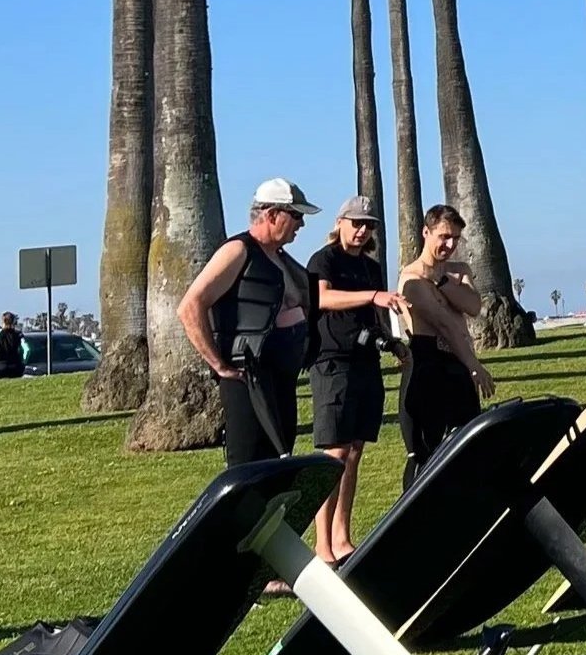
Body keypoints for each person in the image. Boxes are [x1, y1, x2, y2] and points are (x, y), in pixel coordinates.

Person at [179, 178, 319, 468]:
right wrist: (219, 365)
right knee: (248, 466)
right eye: (296, 215)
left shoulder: (280, 257)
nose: (301, 224)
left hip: (281, 377)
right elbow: (190, 306)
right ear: (272, 214)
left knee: (279, 461)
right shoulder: (238, 251)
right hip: (249, 378)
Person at [306, 197, 406, 565]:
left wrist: (395, 343)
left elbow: (376, 314)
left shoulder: (369, 266)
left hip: (366, 362)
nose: (363, 230)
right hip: (333, 362)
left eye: (369, 225)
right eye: (357, 223)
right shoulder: (324, 260)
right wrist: (373, 295)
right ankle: (322, 547)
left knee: (354, 452)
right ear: (340, 223)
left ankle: (341, 537)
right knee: (334, 453)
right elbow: (322, 298)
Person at [396, 205, 495, 488]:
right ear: (426, 232)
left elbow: (473, 306)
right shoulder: (411, 279)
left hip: (456, 365)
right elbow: (445, 325)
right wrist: (474, 366)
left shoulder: (457, 271)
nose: (450, 245)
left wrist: (440, 280)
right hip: (427, 364)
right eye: (444, 237)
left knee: (468, 442)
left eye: (455, 238)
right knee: (425, 454)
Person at [0, 313, 26, 381]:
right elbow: (27, 349)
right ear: (13, 321)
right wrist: (23, 361)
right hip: (16, 366)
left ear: (2, 321)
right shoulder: (19, 334)